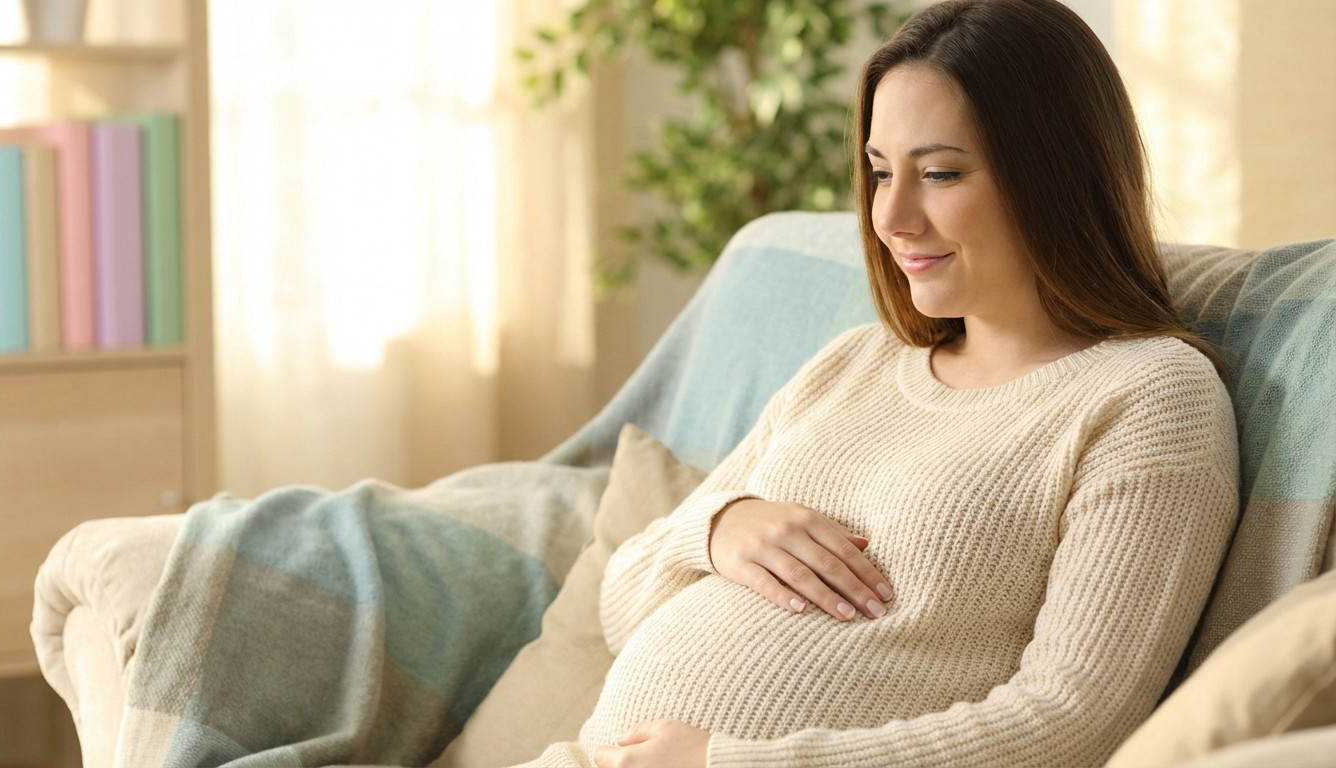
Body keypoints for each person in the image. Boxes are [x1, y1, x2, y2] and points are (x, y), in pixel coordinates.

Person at [525, 0, 1239, 765]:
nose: (890, 216)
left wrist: (727, 763)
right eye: (878, 172)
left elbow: (1071, 721)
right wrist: (719, 530)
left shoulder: (1148, 397)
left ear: (1055, 175)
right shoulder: (856, 362)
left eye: (938, 173)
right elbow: (623, 601)